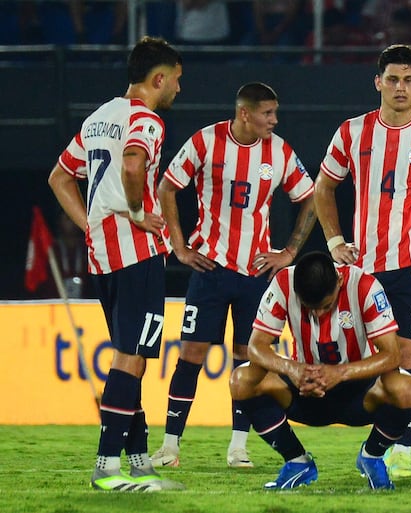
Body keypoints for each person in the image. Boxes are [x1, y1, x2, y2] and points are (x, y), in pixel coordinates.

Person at [313, 43, 411, 478]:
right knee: (363, 356)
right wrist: (334, 241)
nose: (401, 88)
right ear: (378, 82)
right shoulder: (352, 132)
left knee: (409, 355)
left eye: (409, 80)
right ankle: (374, 440)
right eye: (393, 79)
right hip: (361, 270)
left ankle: (400, 453)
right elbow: (323, 187)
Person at [151, 82, 317, 469]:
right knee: (191, 355)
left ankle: (238, 447)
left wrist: (289, 251)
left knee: (248, 362)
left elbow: (310, 196)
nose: (274, 121)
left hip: (255, 275)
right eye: (268, 114)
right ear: (245, 113)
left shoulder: (280, 152)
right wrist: (179, 247)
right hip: (210, 268)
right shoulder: (206, 142)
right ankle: (171, 446)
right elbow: (167, 187)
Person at [47, 36, 183, 492]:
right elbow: (132, 165)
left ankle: (138, 459)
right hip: (136, 253)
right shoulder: (146, 120)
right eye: (176, 80)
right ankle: (107, 466)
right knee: (131, 357)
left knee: (135, 357)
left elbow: (60, 177)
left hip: (102, 256)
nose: (178, 90)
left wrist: (89, 225)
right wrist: (140, 212)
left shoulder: (100, 116)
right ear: (158, 78)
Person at [229, 251, 411, 490]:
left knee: (406, 388)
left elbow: (392, 355)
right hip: (306, 389)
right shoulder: (284, 282)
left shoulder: (364, 285)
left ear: (339, 282)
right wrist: (293, 369)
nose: (318, 314)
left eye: (326, 306)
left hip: (359, 394)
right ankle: (297, 462)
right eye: (309, 308)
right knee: (242, 379)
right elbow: (256, 348)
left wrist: (340, 373)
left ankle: (371, 457)